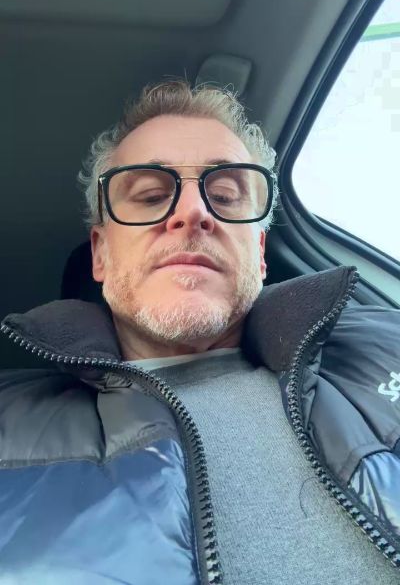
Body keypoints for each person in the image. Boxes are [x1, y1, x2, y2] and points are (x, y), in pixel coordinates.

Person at [1, 80, 399, 585]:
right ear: (100, 254)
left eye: (225, 196)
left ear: (259, 254)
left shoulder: (388, 339)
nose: (194, 212)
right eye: (151, 196)